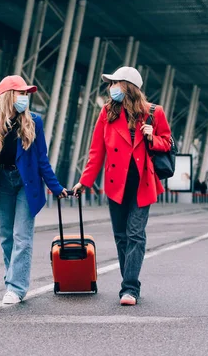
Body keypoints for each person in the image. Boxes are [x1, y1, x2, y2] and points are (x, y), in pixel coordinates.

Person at [73, 66, 171, 306]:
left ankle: (129, 288)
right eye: (110, 84)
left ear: (128, 87)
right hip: (116, 184)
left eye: (115, 83)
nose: (111, 88)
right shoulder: (107, 113)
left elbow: (167, 142)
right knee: (120, 236)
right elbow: (96, 151)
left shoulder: (153, 113)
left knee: (135, 234)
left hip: (143, 183)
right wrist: (84, 181)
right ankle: (128, 281)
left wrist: (152, 137)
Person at [0, 75, 68, 305]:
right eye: (21, 93)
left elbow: (42, 159)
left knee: (22, 237)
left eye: (27, 94)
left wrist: (56, 188)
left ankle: (16, 287)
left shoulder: (34, 120)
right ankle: (13, 280)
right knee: (6, 235)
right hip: (1, 182)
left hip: (26, 183)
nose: (25, 98)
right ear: (8, 95)